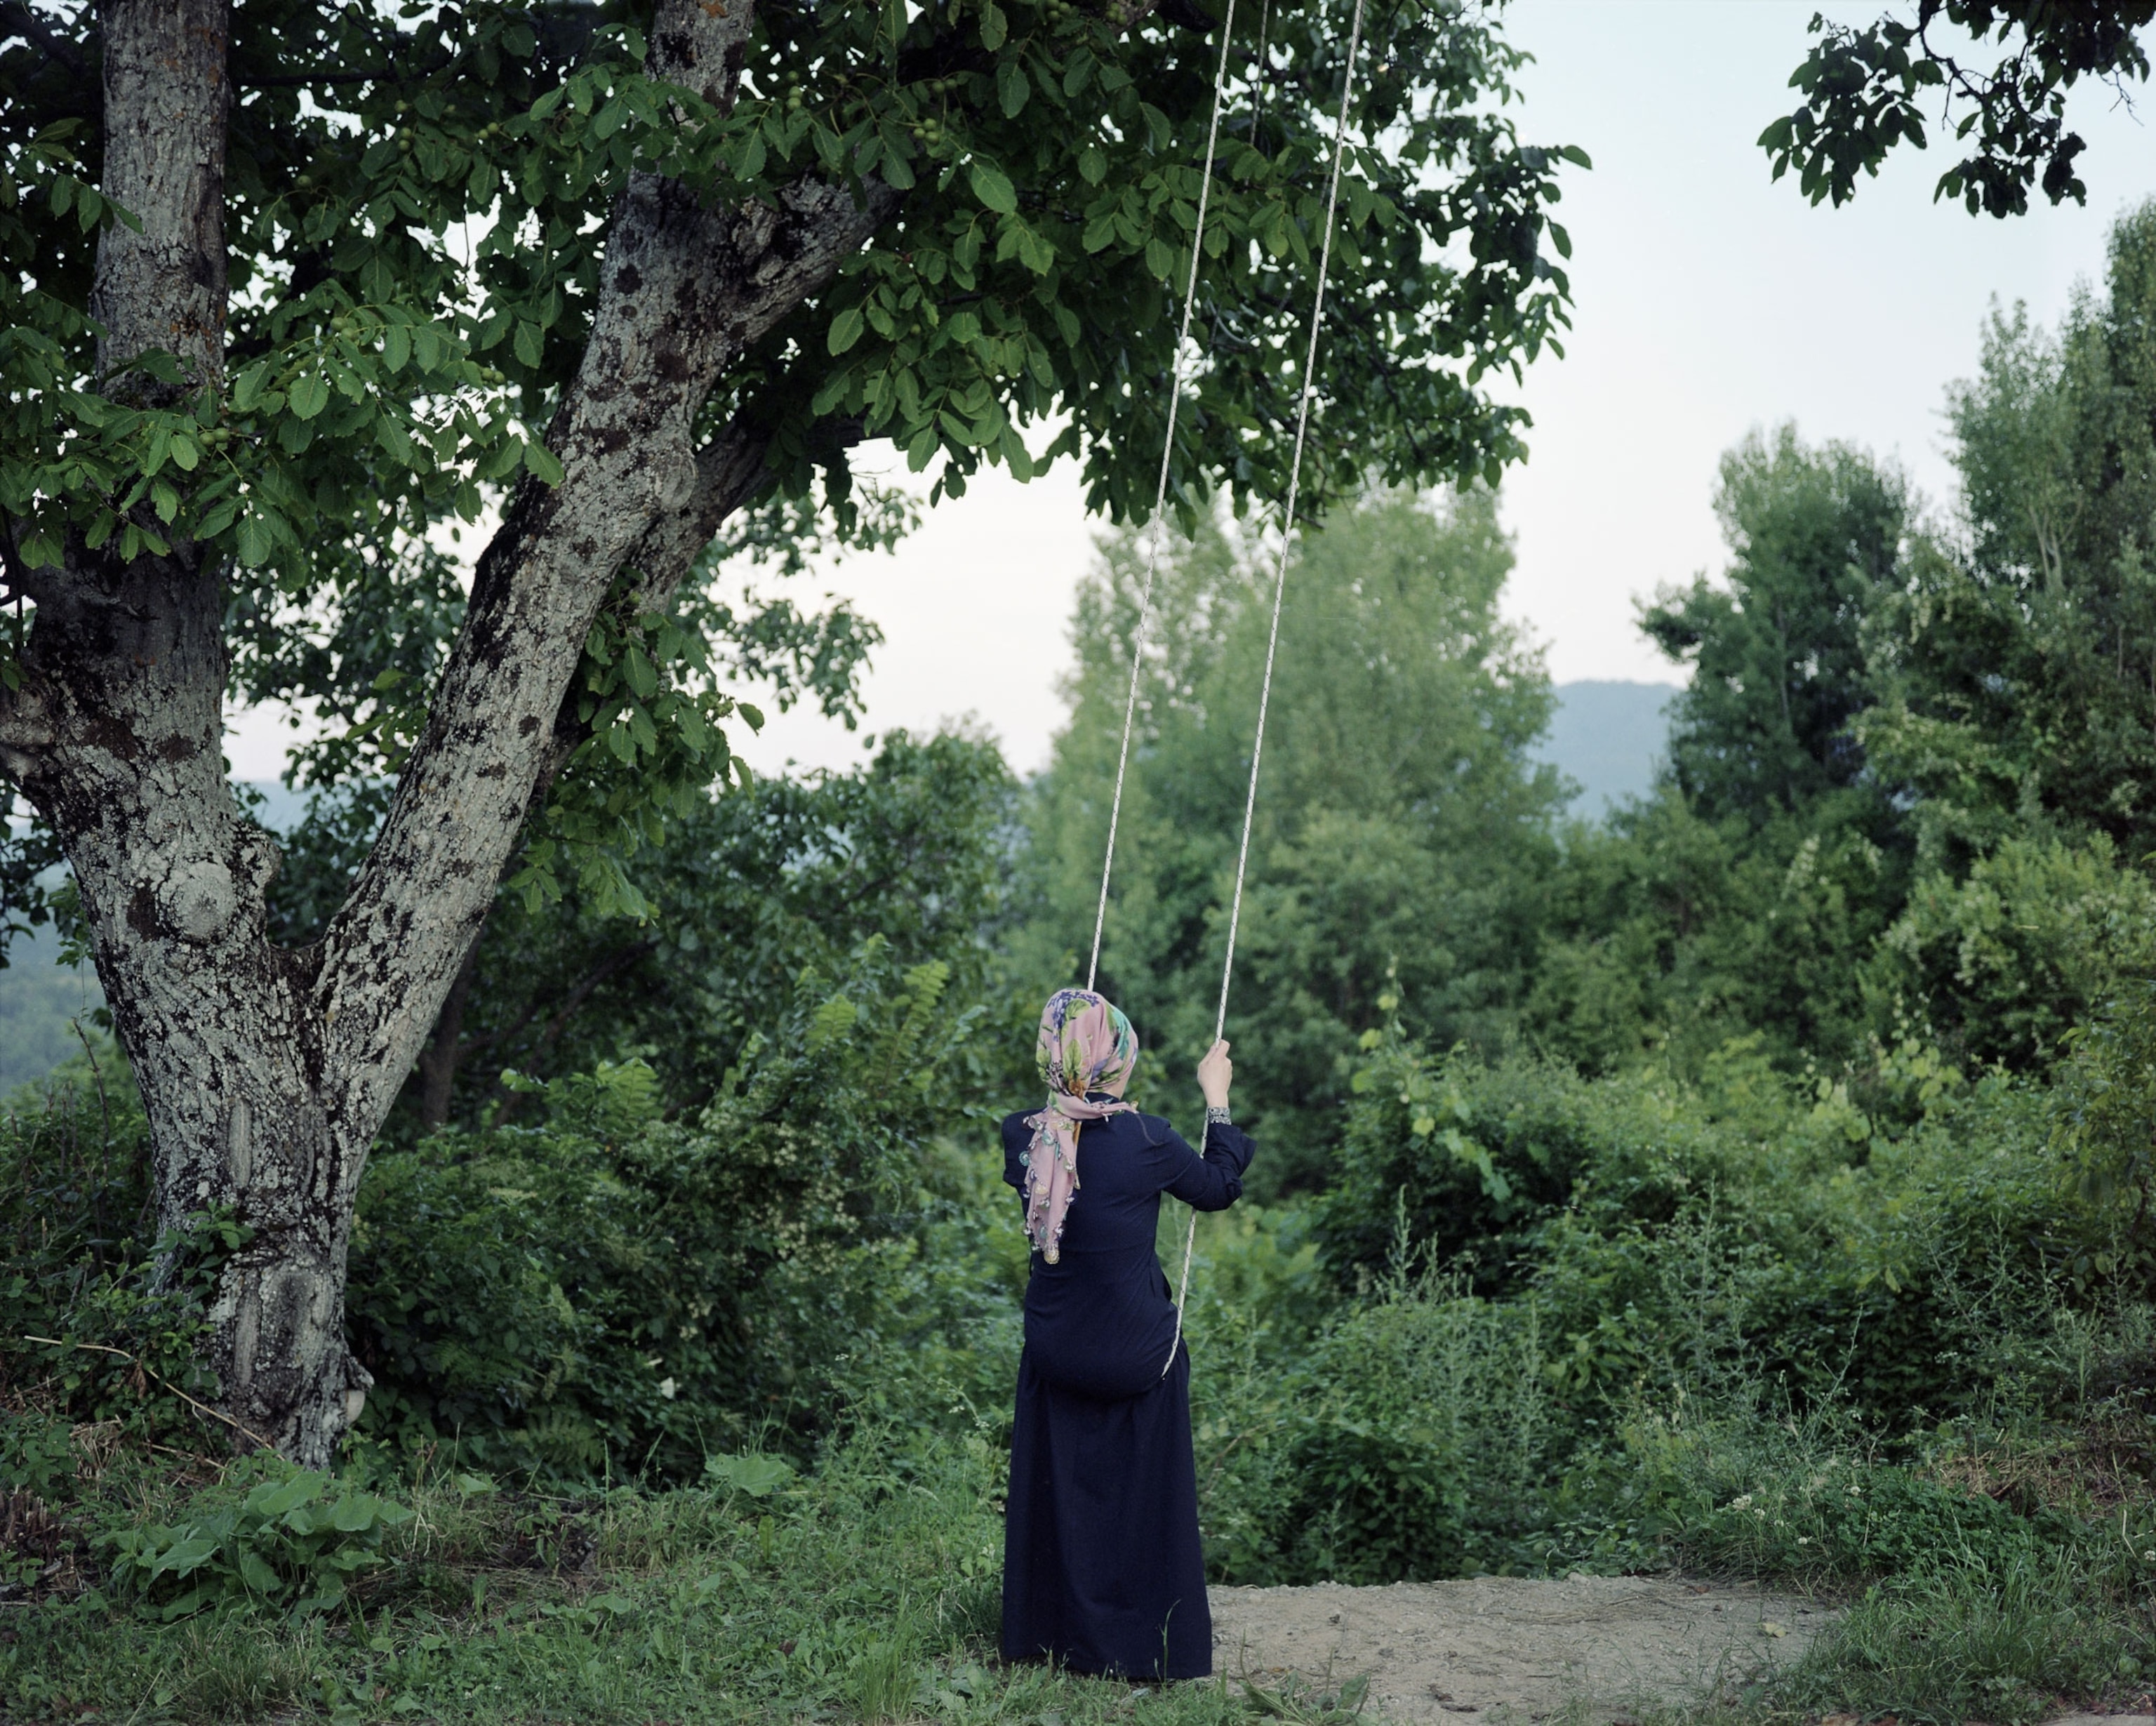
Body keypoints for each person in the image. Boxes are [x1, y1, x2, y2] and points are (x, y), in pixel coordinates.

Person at [999, 987, 1256, 1682]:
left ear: (1052, 1054)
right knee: (1144, 1488)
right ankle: (1143, 1643)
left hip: (1056, 1350)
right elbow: (1219, 1185)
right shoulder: (1150, 1141)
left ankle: (1048, 1632)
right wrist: (1218, 1096)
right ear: (1121, 1060)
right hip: (1136, 1355)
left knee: (1066, 1482)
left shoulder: (1021, 1134)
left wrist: (1076, 1104)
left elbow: (1063, 1145)